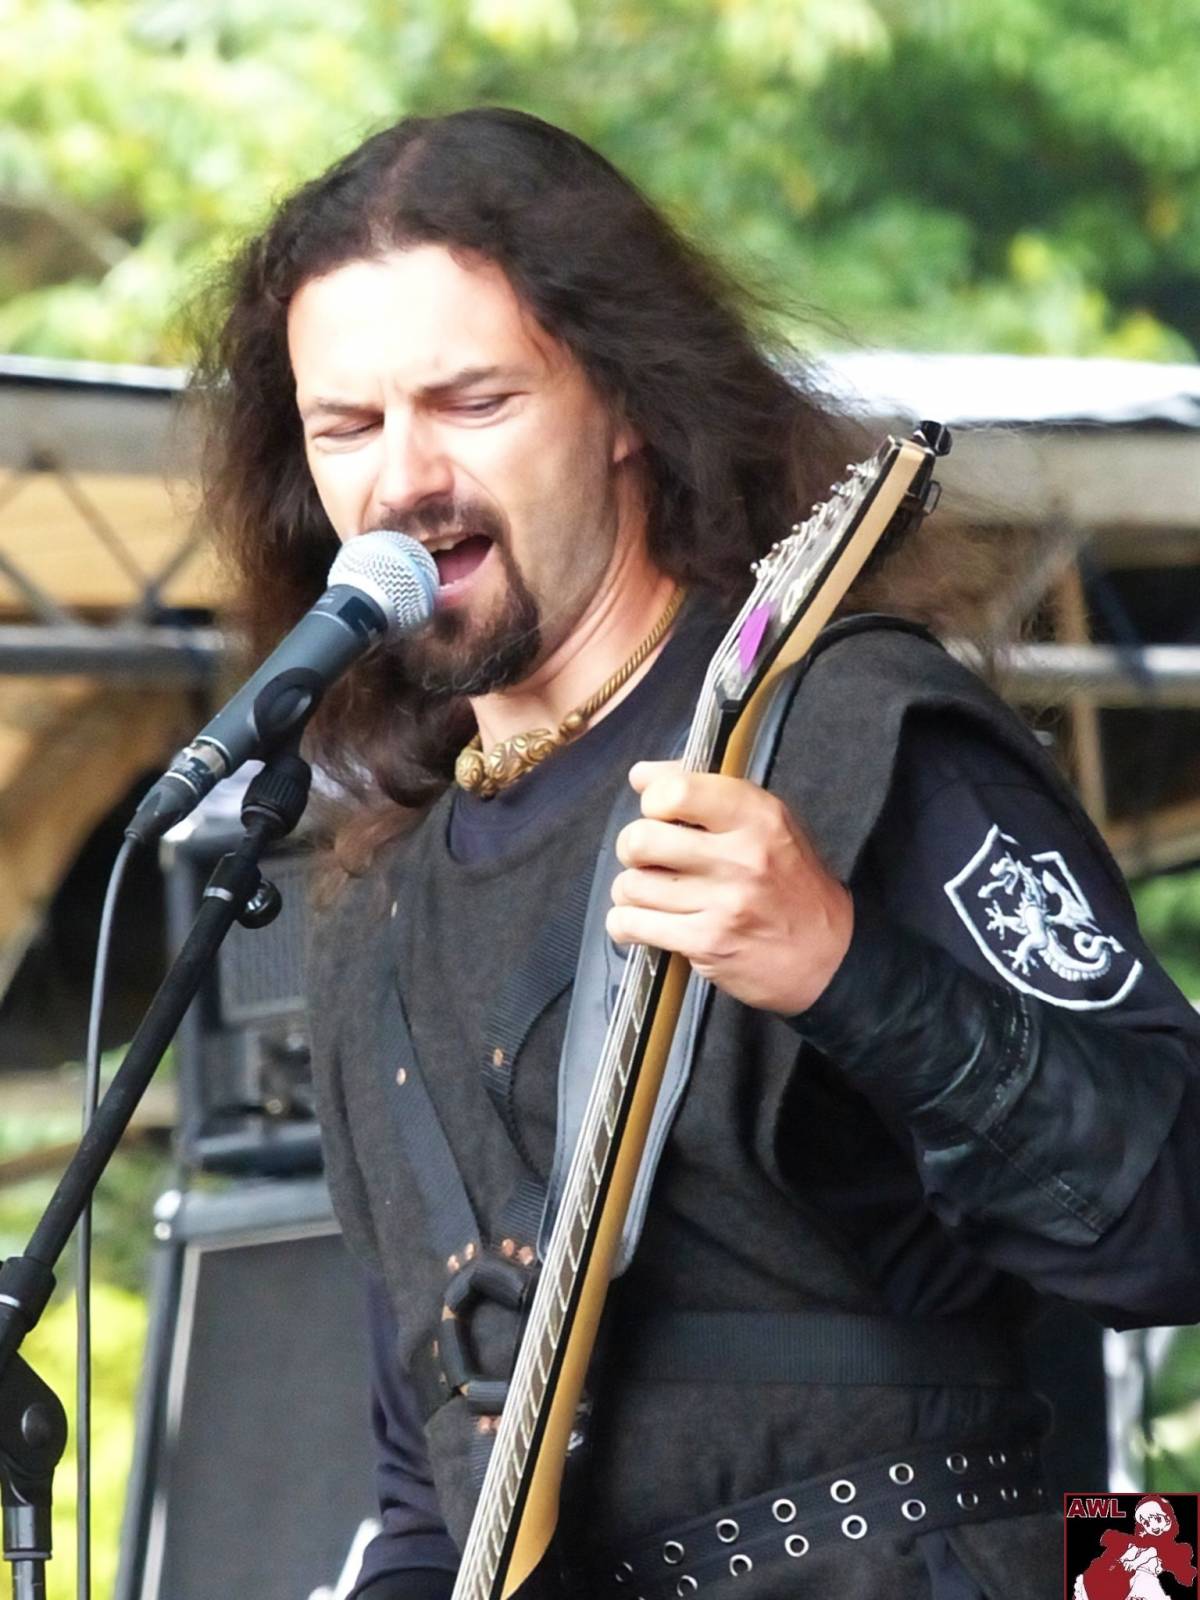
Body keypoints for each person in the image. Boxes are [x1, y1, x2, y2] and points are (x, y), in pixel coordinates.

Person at [198, 107, 1200, 1600]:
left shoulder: (847, 735)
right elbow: (426, 1477)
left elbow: (1176, 1216)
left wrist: (847, 970)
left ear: (624, 402)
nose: (402, 479)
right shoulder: (372, 907)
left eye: (472, 401)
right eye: (347, 426)